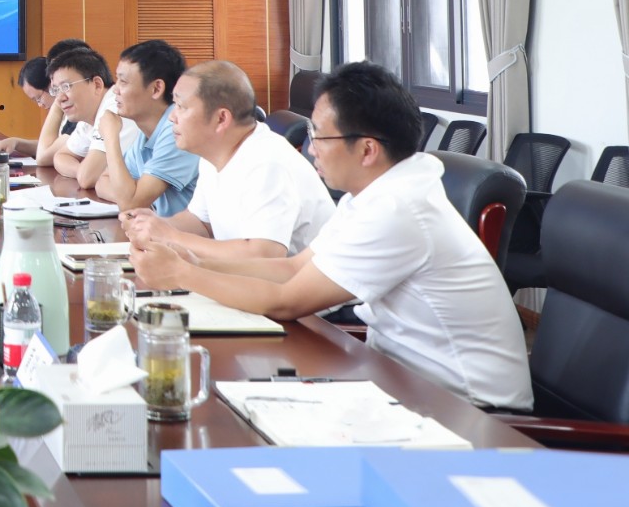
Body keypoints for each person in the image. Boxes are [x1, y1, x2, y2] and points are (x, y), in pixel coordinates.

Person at [129, 62, 532, 411]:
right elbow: (292, 269)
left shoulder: (397, 208)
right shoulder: (373, 194)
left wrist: (184, 274)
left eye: (321, 137)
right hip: (401, 378)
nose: (311, 149)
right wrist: (196, 263)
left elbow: (287, 300)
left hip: (467, 410)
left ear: (368, 150)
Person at [125, 60, 334, 258]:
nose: (172, 117)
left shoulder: (266, 162)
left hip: (299, 283)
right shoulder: (213, 153)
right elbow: (201, 223)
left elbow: (263, 255)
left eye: (181, 106)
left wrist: (173, 237)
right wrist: (151, 226)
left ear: (221, 118)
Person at [94, 39, 198, 215]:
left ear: (156, 89)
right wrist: (129, 197)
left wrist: (110, 137)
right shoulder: (147, 133)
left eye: (123, 81)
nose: (115, 90)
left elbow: (129, 203)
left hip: (188, 232)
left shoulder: (176, 129)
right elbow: (103, 181)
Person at [47, 49, 139, 189]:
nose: (59, 98)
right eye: (56, 90)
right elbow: (60, 157)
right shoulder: (89, 115)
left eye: (66, 87)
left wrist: (86, 173)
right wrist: (81, 171)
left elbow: (87, 178)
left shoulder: (116, 108)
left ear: (97, 85)